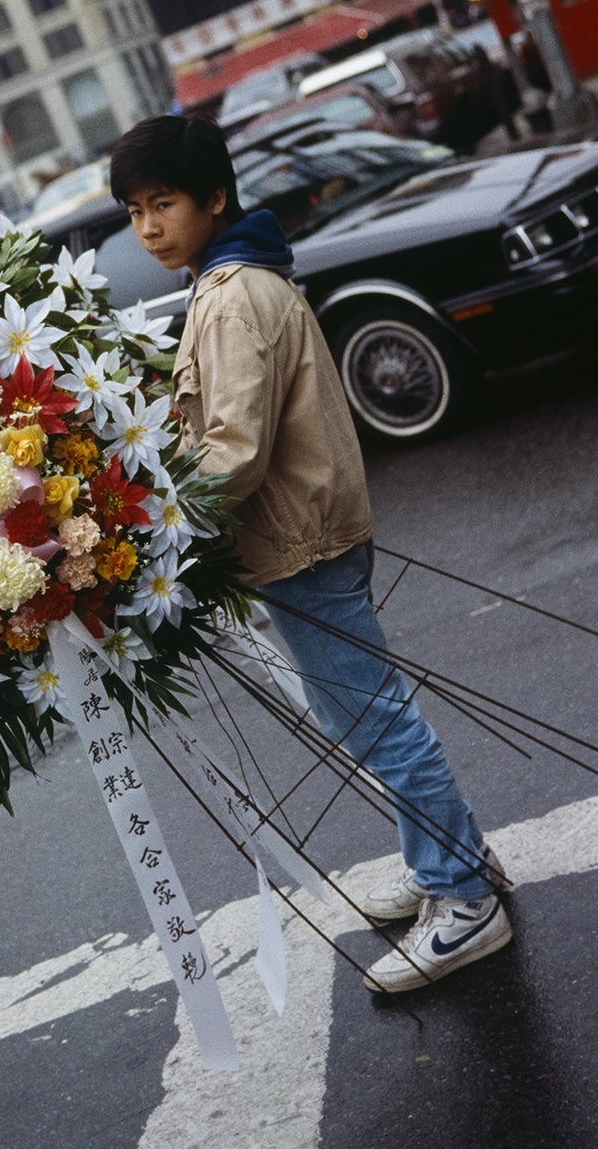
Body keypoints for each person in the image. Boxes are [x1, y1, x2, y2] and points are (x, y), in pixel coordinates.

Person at [109, 114, 511, 994]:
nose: (148, 226)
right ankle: (445, 857)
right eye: (135, 209)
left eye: (164, 202)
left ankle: (466, 897)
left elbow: (234, 451)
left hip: (298, 542)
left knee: (375, 719)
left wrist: (155, 528)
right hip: (308, 532)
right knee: (364, 713)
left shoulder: (228, 296)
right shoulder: (242, 278)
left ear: (215, 198)